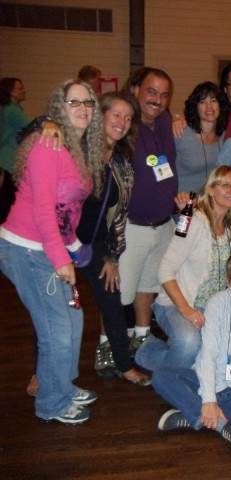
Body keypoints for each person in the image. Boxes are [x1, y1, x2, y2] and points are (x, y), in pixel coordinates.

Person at [0, 79, 104, 424]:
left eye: (88, 102)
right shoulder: (49, 145)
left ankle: (61, 385)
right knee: (55, 329)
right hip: (27, 249)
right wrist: (61, 258)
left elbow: (67, 210)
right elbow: (44, 210)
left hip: (48, 246)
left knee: (73, 320)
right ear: (60, 107)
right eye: (74, 102)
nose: (82, 108)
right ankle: (51, 404)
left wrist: (72, 246)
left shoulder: (75, 148)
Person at [151, 251, 231, 451]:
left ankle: (192, 414)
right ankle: (221, 424)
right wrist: (209, 398)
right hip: (209, 382)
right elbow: (208, 353)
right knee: (161, 376)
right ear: (228, 280)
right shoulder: (217, 302)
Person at [135, 166, 231, 372]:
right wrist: (186, 309)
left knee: (218, 352)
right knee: (189, 343)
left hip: (211, 308)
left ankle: (180, 359)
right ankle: (146, 352)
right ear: (210, 190)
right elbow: (165, 270)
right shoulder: (193, 220)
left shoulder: (230, 227)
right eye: (225, 185)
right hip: (177, 303)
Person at [75, 92, 149, 385]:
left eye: (128, 117)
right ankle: (41, 375)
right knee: (57, 313)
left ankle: (124, 365)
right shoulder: (74, 151)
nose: (122, 122)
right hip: (59, 243)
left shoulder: (122, 165)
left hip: (95, 245)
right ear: (100, 115)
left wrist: (113, 256)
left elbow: (120, 215)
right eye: (116, 114)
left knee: (112, 301)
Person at [118, 67, 178, 353]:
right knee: (119, 292)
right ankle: (109, 345)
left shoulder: (164, 120)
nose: (158, 100)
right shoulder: (123, 125)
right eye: (151, 92)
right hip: (132, 226)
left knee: (148, 285)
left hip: (163, 224)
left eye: (164, 95)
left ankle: (141, 335)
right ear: (135, 90)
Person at [174, 81, 227, 194]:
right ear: (195, 107)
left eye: (213, 100)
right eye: (202, 102)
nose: (209, 106)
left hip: (211, 202)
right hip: (183, 202)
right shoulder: (181, 133)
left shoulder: (224, 136)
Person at [0, 77, 29, 223]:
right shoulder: (12, 111)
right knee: (9, 195)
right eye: (19, 88)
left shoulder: (8, 109)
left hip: (7, 156)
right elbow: (30, 127)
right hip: (9, 157)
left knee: (7, 194)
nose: (23, 90)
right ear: (10, 92)